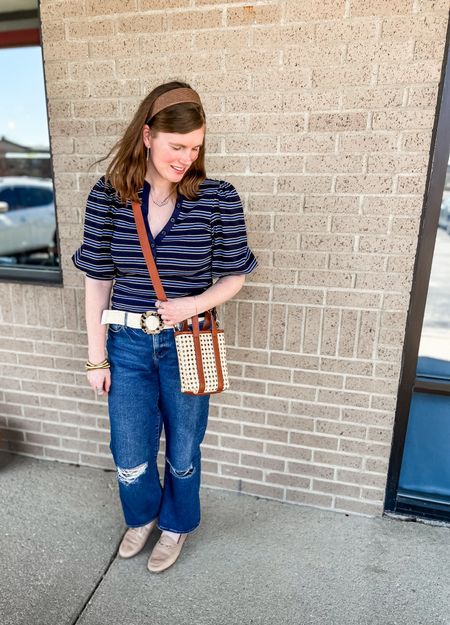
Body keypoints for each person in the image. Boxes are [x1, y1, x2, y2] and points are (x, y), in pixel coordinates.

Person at [72, 81, 258, 573]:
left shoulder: (216, 198)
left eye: (195, 147)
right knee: (129, 447)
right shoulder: (109, 196)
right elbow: (96, 280)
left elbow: (235, 276)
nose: (186, 157)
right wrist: (96, 357)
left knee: (183, 446)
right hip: (128, 344)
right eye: (178, 146)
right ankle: (142, 517)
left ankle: (174, 526)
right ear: (148, 135)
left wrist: (193, 302)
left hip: (187, 344)